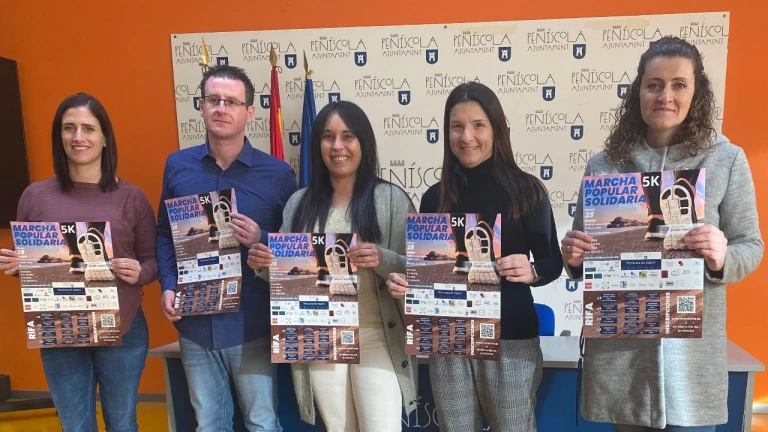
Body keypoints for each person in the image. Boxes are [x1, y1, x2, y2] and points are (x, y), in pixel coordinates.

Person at [560, 36, 763, 431]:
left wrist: (722, 257)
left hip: (690, 364)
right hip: (622, 359)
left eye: (679, 84)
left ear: (696, 93)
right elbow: (582, 255)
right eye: (654, 85)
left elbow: (751, 247)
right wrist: (574, 256)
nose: (665, 96)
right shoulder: (605, 165)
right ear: (638, 91)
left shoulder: (726, 158)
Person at [386, 82, 563, 432]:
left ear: (496, 129)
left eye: (478, 125)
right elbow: (430, 277)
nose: (466, 136)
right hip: (449, 341)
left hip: (510, 340)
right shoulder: (434, 198)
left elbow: (553, 263)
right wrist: (410, 287)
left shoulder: (527, 190)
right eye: (457, 126)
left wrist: (532, 271)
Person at [247, 100, 418, 432]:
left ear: (363, 143)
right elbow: (288, 276)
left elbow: (418, 270)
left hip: (378, 336)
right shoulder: (299, 203)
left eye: (347, 136)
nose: (338, 146)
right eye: (328, 137)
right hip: (321, 336)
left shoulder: (391, 199)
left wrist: (383, 259)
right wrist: (263, 264)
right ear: (318, 145)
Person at [0, 93, 158, 432]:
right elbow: (30, 267)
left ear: (105, 138)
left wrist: (140, 272)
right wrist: (16, 265)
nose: (78, 137)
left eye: (88, 128)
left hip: (122, 330)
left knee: (123, 424)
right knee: (74, 427)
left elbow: (152, 262)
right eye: (68, 128)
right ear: (59, 136)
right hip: (60, 332)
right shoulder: (35, 197)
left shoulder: (131, 198)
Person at [156, 64, 297, 432]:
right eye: (213, 100)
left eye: (232, 102)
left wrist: (261, 238)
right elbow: (164, 233)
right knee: (208, 425)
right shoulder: (177, 166)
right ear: (201, 106)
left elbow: (296, 250)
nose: (221, 108)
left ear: (249, 112)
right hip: (195, 324)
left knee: (262, 423)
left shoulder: (278, 174)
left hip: (252, 324)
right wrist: (168, 284)